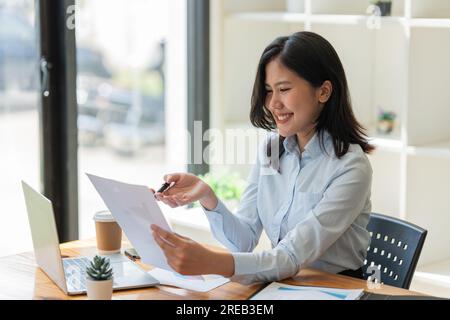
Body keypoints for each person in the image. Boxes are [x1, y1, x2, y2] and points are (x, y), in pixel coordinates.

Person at [150, 31, 375, 284]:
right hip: (286, 285)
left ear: (323, 92)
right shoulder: (271, 151)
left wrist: (213, 262)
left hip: (335, 288)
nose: (273, 103)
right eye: (269, 91)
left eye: (284, 89)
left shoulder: (351, 167)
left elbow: (290, 256)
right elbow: (244, 240)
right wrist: (207, 196)